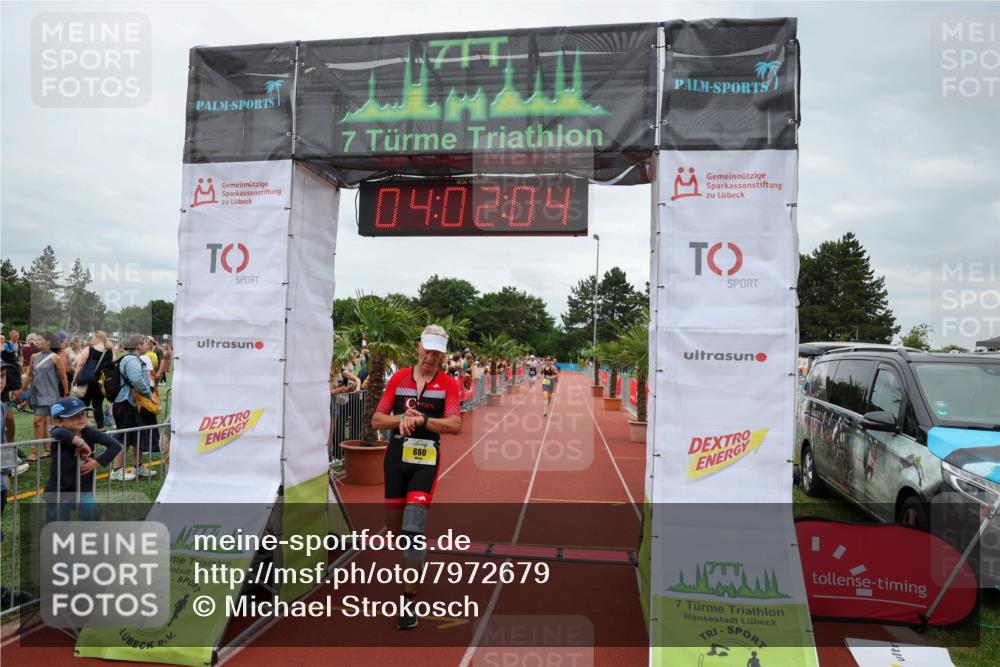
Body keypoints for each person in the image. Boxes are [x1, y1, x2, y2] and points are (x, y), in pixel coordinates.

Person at [371, 325, 462, 630]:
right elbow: (376, 420)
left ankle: (408, 601)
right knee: (397, 533)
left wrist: (423, 420)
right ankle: (415, 555)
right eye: (427, 349)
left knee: (412, 528)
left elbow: (454, 424)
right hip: (396, 460)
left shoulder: (448, 384)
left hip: (426, 461)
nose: (431, 356)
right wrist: (403, 418)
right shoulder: (399, 379)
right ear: (418, 348)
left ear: (443, 355)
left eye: (437, 352)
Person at [45, 397, 123, 521]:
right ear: (59, 421)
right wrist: (80, 443)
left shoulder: (90, 432)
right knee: (58, 523)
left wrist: (96, 462)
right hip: (59, 489)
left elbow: (116, 446)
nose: (81, 418)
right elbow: (57, 432)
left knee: (91, 515)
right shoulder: (58, 433)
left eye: (83, 414)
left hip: (84, 487)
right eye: (74, 416)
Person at [19, 332, 70, 462]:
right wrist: (22, 390)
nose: (37, 342)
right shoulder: (34, 356)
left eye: (40, 340)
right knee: (43, 422)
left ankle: (35, 452)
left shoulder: (56, 358)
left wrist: (66, 394)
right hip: (36, 393)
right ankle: (48, 450)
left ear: (48, 342)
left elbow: (63, 377)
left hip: (50, 395)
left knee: (38, 422)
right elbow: (30, 375)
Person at [111, 335, 154, 481]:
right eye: (145, 343)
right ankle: (117, 470)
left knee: (137, 435)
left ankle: (138, 466)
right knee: (125, 436)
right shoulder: (132, 360)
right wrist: (149, 395)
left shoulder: (129, 359)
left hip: (130, 403)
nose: (147, 346)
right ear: (138, 346)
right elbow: (136, 380)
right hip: (126, 403)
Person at [73, 331, 114, 429]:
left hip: (87, 380)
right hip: (100, 382)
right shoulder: (109, 351)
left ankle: (81, 425)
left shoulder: (89, 349)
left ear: (98, 338)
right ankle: (100, 427)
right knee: (97, 405)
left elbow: (80, 364)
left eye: (93, 337)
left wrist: (75, 377)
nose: (92, 339)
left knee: (83, 404)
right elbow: (112, 365)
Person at [328, 357, 361, 457]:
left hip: (335, 401)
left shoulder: (339, 368)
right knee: (329, 431)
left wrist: (355, 387)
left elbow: (357, 379)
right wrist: (337, 391)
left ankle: (327, 458)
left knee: (331, 431)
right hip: (329, 402)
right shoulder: (328, 368)